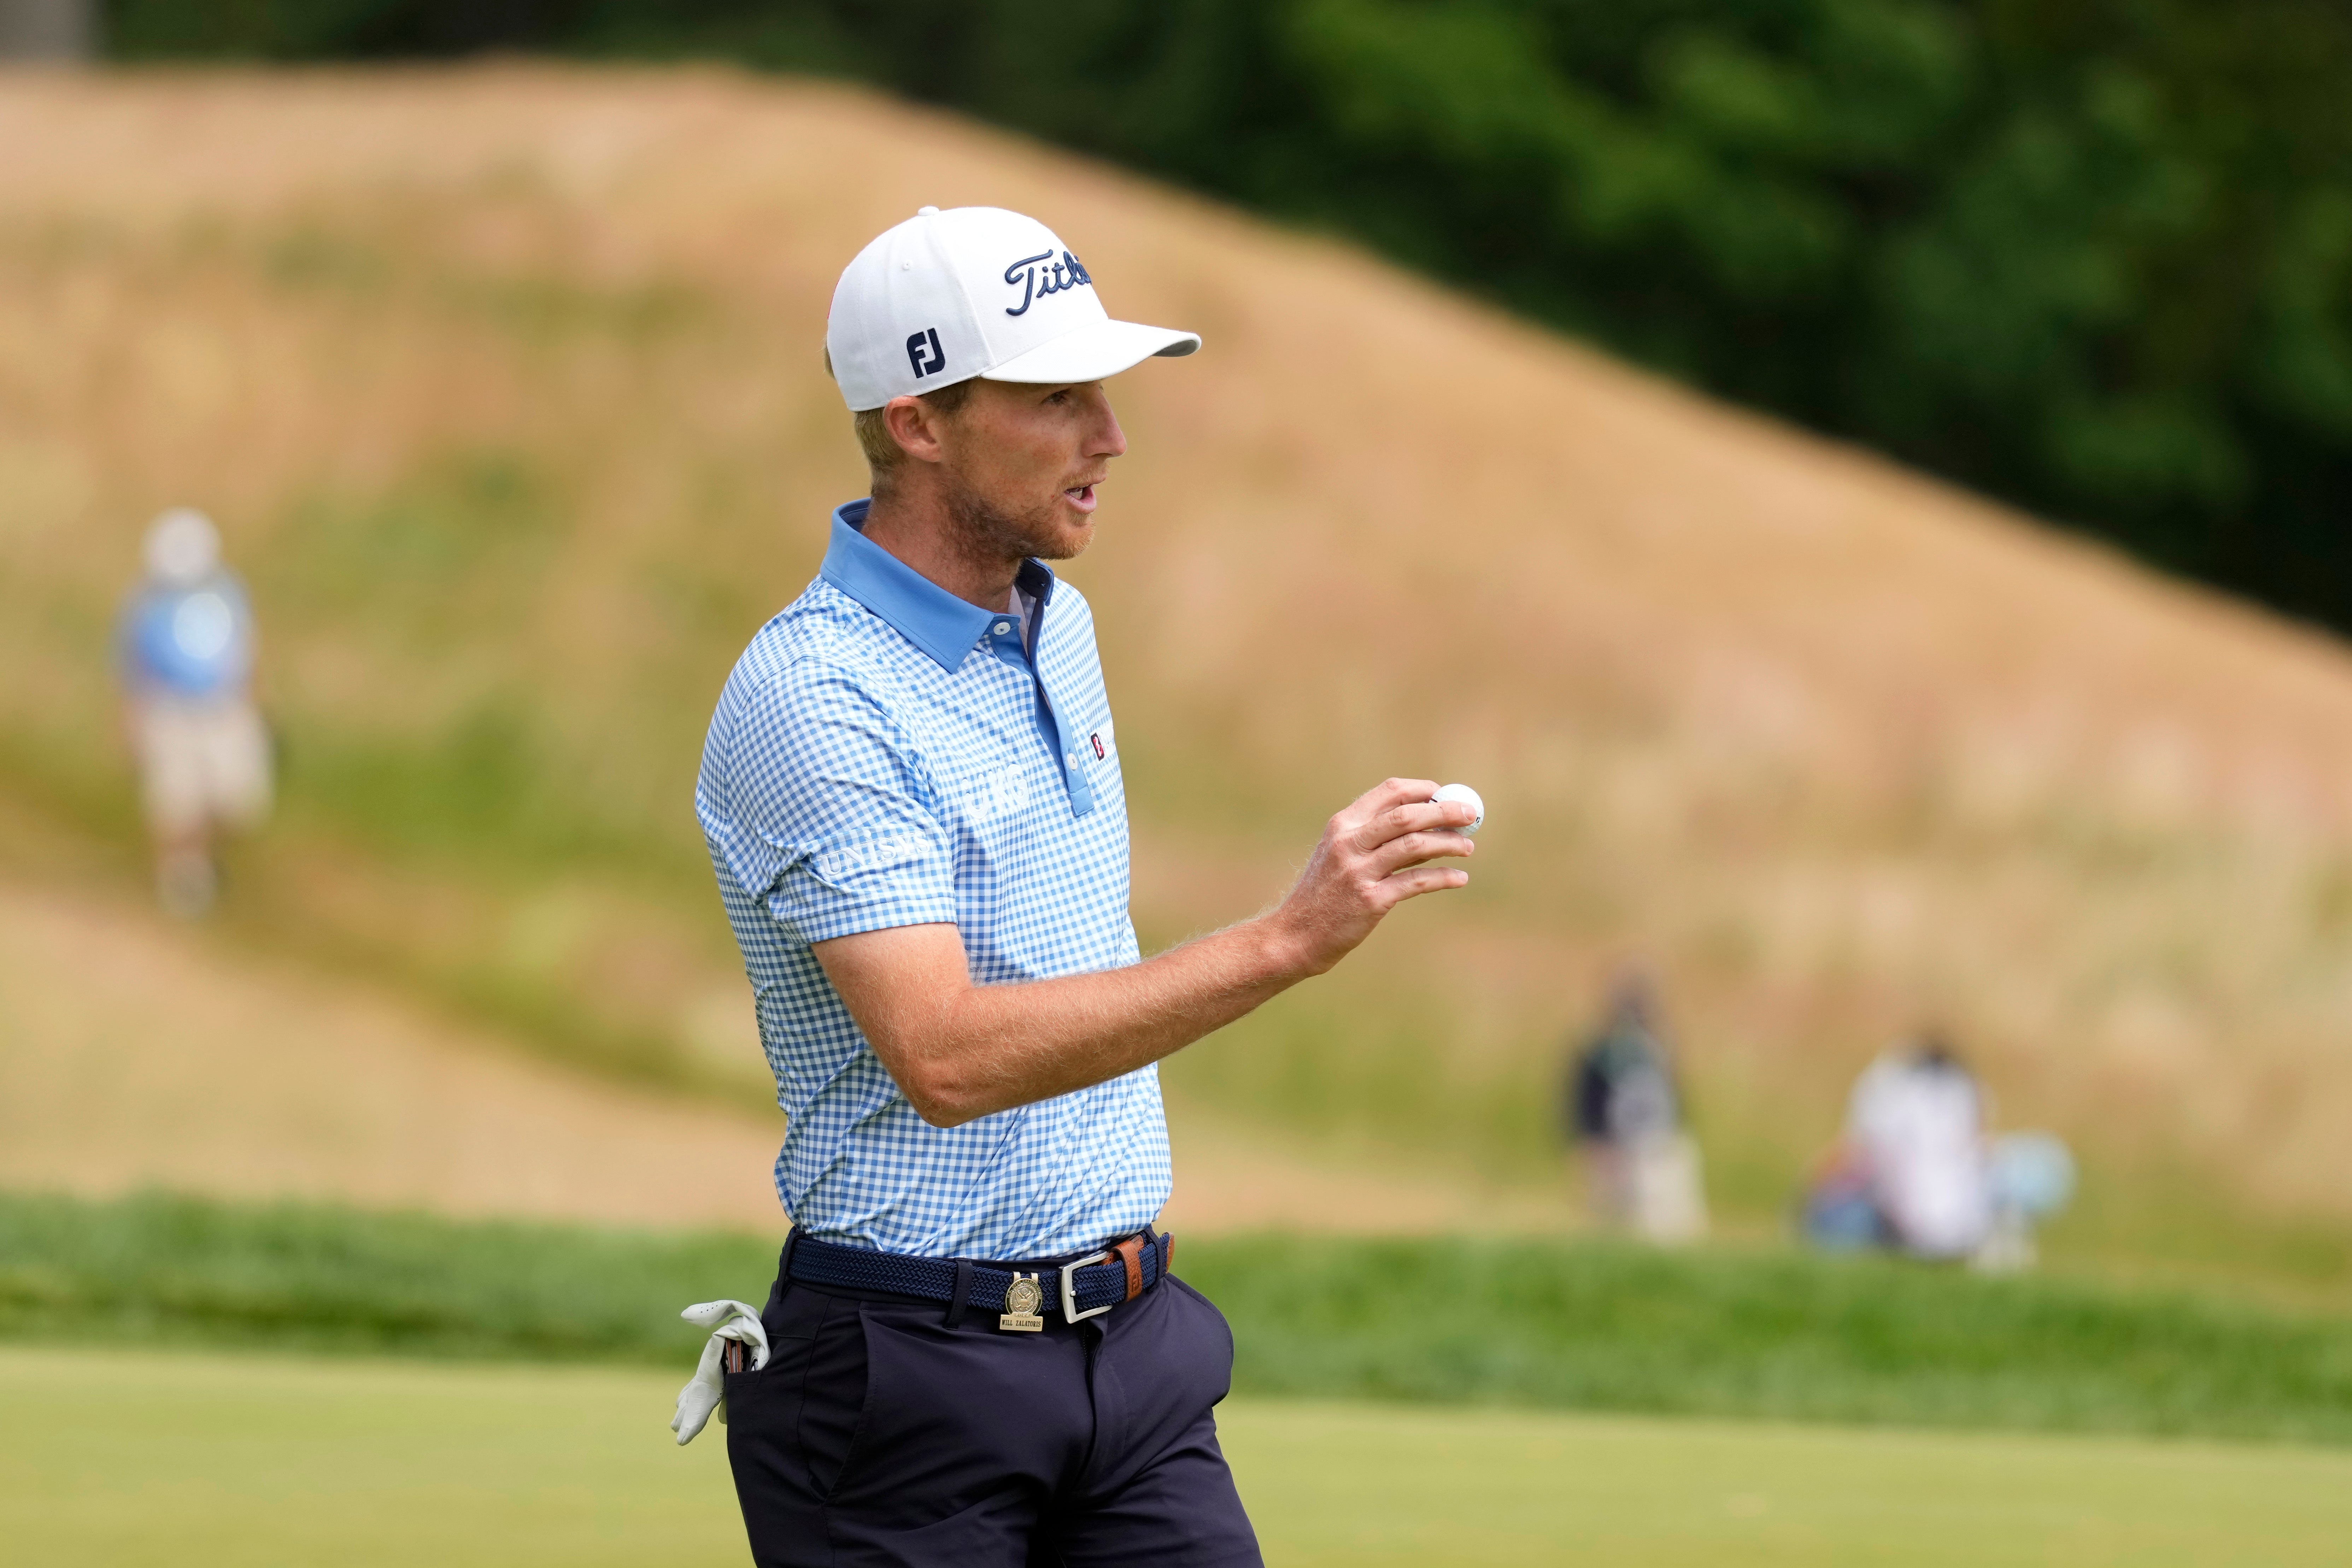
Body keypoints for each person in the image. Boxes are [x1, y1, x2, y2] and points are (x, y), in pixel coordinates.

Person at [691, 205, 1478, 1567]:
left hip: (1133, 1355)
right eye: (1056, 398)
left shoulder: (1059, 625)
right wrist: (1287, 941)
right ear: (919, 421)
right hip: (904, 1384)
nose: (1110, 435)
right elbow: (943, 1053)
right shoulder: (814, 696)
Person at [117, 507, 271, 917]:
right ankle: (184, 882)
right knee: (177, 803)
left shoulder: (228, 592)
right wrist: (131, 721)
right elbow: (134, 667)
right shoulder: (145, 601)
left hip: (224, 709)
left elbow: (247, 652)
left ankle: (204, 864)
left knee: (237, 801)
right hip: (171, 712)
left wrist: (256, 705)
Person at [1565, 972, 1707, 1242]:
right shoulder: (1601, 1051)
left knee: (1669, 1227)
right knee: (1615, 1225)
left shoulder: (1658, 1047)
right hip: (1616, 1148)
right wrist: (1592, 1144)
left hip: (1658, 1147)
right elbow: (1585, 1102)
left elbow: (1674, 1097)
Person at [1840, 1035, 1993, 1260]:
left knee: (1841, 1214)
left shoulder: (1894, 1094)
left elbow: (1860, 1155)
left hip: (1912, 1230)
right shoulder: (1965, 1095)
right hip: (1968, 1231)